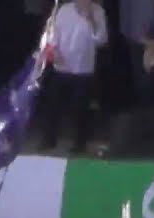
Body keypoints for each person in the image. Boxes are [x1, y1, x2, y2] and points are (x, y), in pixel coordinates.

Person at [41, 0, 108, 153]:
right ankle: (49, 139)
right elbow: (53, 35)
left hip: (84, 68)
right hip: (62, 66)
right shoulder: (64, 10)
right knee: (53, 104)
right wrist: (54, 52)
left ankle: (80, 143)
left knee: (81, 108)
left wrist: (91, 19)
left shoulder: (98, 12)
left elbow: (101, 40)